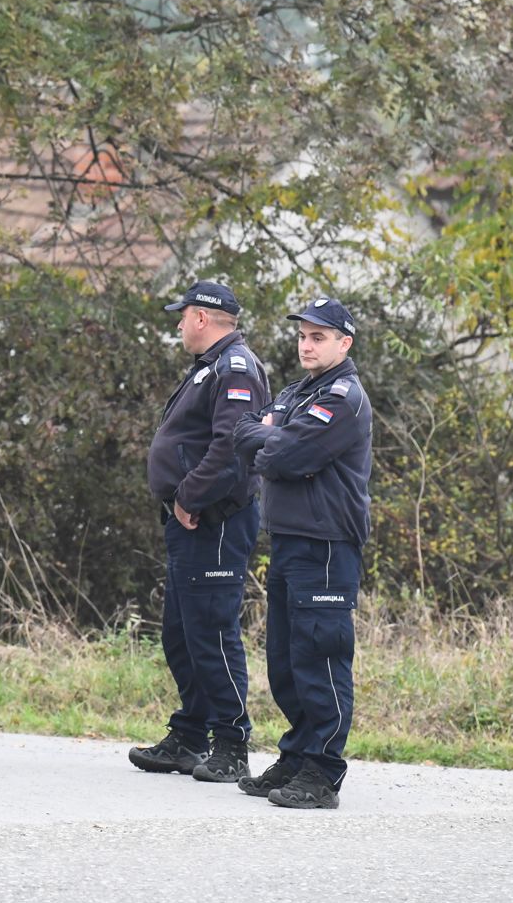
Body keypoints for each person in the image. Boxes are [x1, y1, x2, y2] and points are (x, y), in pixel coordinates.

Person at [231, 296, 372, 810]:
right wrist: (273, 439)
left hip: (327, 544)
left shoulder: (344, 397)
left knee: (321, 655)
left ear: (344, 343)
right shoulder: (295, 393)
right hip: (289, 539)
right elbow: (242, 432)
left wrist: (273, 441)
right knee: (288, 660)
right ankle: (297, 755)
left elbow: (289, 454)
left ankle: (323, 770)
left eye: (318, 337)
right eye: (302, 336)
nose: (307, 345)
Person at [129, 280, 271, 783]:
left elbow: (232, 446)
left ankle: (231, 743)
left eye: (182, 315)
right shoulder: (210, 367)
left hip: (213, 520)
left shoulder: (234, 367)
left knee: (211, 631)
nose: (178, 324)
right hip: (190, 520)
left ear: (204, 318)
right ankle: (190, 735)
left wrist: (188, 496)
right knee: (181, 633)